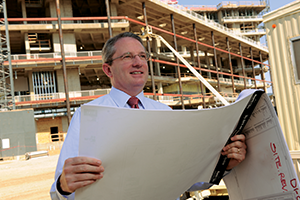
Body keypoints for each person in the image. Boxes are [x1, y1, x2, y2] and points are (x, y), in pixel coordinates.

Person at [50, 32, 247, 200]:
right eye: (128, 56)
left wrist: (225, 164)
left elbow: (186, 178)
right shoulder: (87, 116)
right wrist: (63, 186)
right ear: (108, 69)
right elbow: (58, 192)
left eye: (142, 56)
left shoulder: (166, 113)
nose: (138, 62)